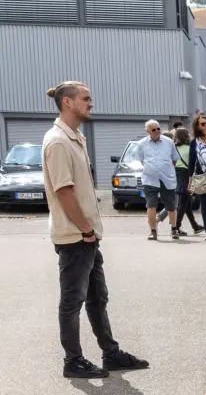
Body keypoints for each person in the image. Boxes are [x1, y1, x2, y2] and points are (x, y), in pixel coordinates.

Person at [40, 82, 149, 379]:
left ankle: (110, 354)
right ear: (67, 102)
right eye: (85, 98)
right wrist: (85, 229)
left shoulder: (75, 137)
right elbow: (64, 191)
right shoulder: (58, 141)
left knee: (97, 298)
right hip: (75, 236)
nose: (91, 103)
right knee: (72, 301)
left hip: (87, 236)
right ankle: (73, 361)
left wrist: (90, 232)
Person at [136, 119, 178, 241]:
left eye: (158, 128)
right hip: (150, 179)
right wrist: (152, 168)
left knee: (171, 205)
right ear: (148, 131)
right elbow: (141, 160)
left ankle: (174, 229)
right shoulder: (141, 144)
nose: (157, 131)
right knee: (151, 205)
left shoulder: (169, 142)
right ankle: (153, 231)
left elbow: (174, 159)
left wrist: (167, 169)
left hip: (167, 178)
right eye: (153, 129)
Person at [172, 126, 203, 235]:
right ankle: (176, 227)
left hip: (176, 174)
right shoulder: (190, 148)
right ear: (186, 136)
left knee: (187, 203)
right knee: (182, 203)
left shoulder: (174, 148)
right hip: (187, 175)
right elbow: (195, 164)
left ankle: (195, 226)